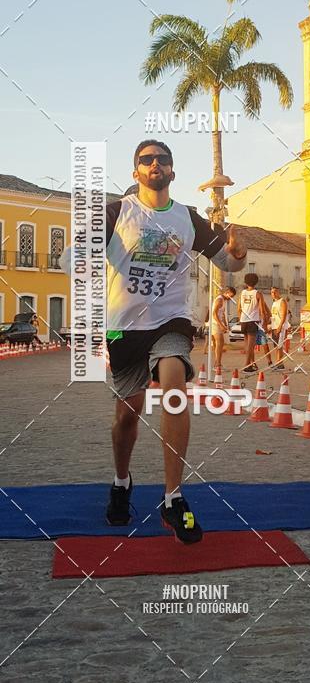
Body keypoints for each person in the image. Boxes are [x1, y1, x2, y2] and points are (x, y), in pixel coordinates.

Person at [61, 140, 247, 542]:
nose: (155, 164)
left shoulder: (188, 219)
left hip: (170, 321)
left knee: (174, 386)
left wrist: (240, 255)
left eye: (162, 159)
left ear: (172, 171)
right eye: (146, 160)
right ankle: (121, 481)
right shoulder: (116, 213)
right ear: (136, 173)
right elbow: (69, 261)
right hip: (124, 328)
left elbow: (229, 263)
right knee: (127, 416)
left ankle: (173, 497)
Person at [238, 274, 270, 373]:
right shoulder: (258, 294)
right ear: (256, 282)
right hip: (253, 321)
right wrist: (265, 324)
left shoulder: (242, 293)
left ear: (245, 282)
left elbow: (239, 308)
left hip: (243, 320)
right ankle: (247, 365)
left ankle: (252, 363)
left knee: (247, 344)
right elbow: (262, 310)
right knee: (251, 346)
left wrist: (240, 319)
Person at [211, 285, 236, 374]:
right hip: (215, 324)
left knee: (219, 344)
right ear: (227, 292)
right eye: (231, 296)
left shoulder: (223, 300)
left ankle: (217, 363)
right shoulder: (219, 300)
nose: (231, 298)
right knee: (219, 343)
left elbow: (222, 313)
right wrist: (221, 325)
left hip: (218, 323)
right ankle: (217, 364)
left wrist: (225, 324)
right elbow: (214, 314)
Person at [269, 286, 290, 368]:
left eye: (275, 292)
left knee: (280, 345)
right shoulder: (274, 303)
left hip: (280, 326)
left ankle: (280, 363)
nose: (273, 294)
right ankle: (278, 362)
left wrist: (280, 326)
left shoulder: (282, 301)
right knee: (276, 346)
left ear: (278, 292)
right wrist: (270, 325)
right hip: (274, 326)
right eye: (272, 292)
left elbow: (284, 315)